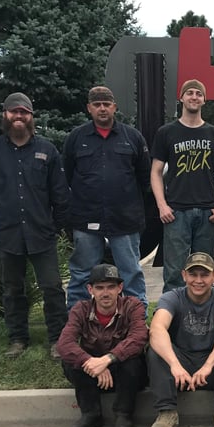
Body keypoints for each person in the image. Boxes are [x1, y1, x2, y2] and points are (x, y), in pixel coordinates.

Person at [0, 92, 69, 359]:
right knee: (12, 289)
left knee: (52, 287)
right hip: (6, 234)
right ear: (5, 115)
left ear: (31, 117)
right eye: (14, 112)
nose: (19, 116)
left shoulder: (47, 150)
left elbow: (60, 194)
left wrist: (56, 227)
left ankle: (58, 339)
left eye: (24, 112)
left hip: (41, 234)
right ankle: (17, 339)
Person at [62, 86, 150, 310]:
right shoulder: (76, 138)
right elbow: (68, 176)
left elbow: (144, 178)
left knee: (131, 272)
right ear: (89, 108)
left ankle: (137, 322)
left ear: (114, 107)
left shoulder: (133, 137)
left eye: (106, 104)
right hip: (86, 218)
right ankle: (76, 323)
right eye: (97, 104)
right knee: (82, 274)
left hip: (125, 219)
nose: (102, 108)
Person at [147, 252, 214, 427]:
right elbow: (157, 329)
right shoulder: (171, 297)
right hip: (180, 368)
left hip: (211, 368)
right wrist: (175, 365)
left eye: (204, 275)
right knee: (155, 348)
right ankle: (167, 412)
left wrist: (208, 365)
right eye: (193, 274)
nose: (198, 280)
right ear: (184, 275)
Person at [150, 79, 214, 292]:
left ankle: (203, 318)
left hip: (207, 213)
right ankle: (171, 320)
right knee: (175, 273)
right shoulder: (166, 133)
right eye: (190, 93)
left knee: (204, 271)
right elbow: (156, 172)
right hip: (176, 212)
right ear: (182, 97)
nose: (194, 97)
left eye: (198, 93)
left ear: (204, 99)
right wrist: (162, 205)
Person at [56, 264, 148, 427]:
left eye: (111, 287)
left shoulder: (133, 306)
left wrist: (107, 360)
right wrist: (91, 362)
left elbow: (139, 337)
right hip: (92, 373)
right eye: (99, 288)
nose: (105, 293)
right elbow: (64, 343)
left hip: (123, 372)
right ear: (90, 289)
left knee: (133, 360)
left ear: (120, 288)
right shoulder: (80, 309)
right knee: (70, 360)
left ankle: (124, 414)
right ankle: (91, 414)